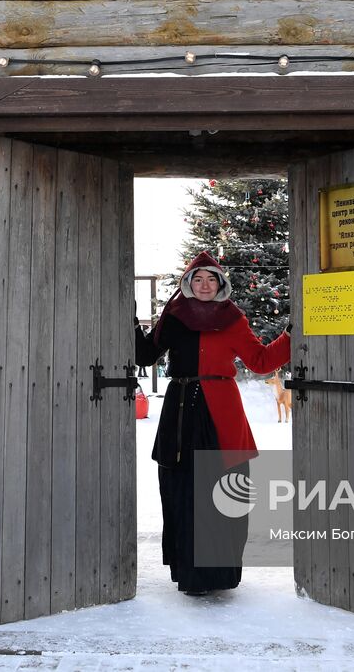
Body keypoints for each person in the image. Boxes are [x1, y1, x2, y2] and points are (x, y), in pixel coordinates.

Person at [135, 251, 290, 595]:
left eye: (211, 279)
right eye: (198, 279)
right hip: (180, 411)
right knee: (183, 490)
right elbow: (145, 356)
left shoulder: (233, 319)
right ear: (188, 284)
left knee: (222, 490)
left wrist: (291, 336)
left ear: (221, 285)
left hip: (222, 411)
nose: (204, 285)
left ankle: (219, 574)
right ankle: (190, 574)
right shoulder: (173, 317)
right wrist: (131, 322)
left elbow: (261, 360)